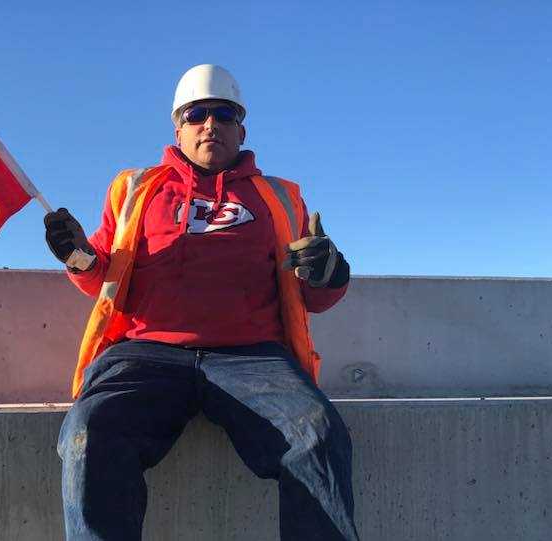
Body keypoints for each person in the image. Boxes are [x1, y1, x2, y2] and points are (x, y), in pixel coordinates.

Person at [45, 64, 359, 541]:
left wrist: (328, 270)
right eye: (197, 114)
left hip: (252, 356)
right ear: (179, 126)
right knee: (90, 433)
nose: (210, 124)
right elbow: (103, 273)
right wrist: (75, 255)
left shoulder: (281, 196)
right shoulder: (135, 188)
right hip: (146, 352)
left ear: (241, 129)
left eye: (224, 114)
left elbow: (314, 296)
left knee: (317, 434)